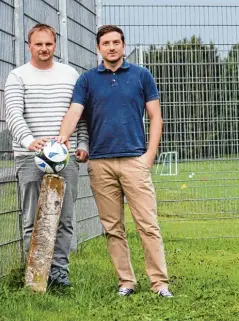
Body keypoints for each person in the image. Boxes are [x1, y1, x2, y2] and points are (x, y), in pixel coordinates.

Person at [57, 25, 172, 298]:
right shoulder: (86, 80)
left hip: (135, 161)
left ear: (123, 45)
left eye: (116, 42)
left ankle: (160, 284)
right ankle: (126, 282)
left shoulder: (141, 75)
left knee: (148, 225)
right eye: (106, 43)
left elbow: (156, 117)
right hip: (101, 164)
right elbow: (75, 112)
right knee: (113, 228)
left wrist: (149, 156)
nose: (111, 47)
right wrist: (62, 137)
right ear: (98, 48)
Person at [4, 24, 89, 287]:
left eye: (48, 44)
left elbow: (80, 115)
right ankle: (35, 277)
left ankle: (59, 277)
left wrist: (82, 143)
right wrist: (31, 142)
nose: (44, 49)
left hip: (65, 158)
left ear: (56, 45)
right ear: (29, 46)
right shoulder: (17, 76)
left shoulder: (70, 74)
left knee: (64, 219)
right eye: (38, 44)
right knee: (32, 219)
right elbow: (13, 116)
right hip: (30, 157)